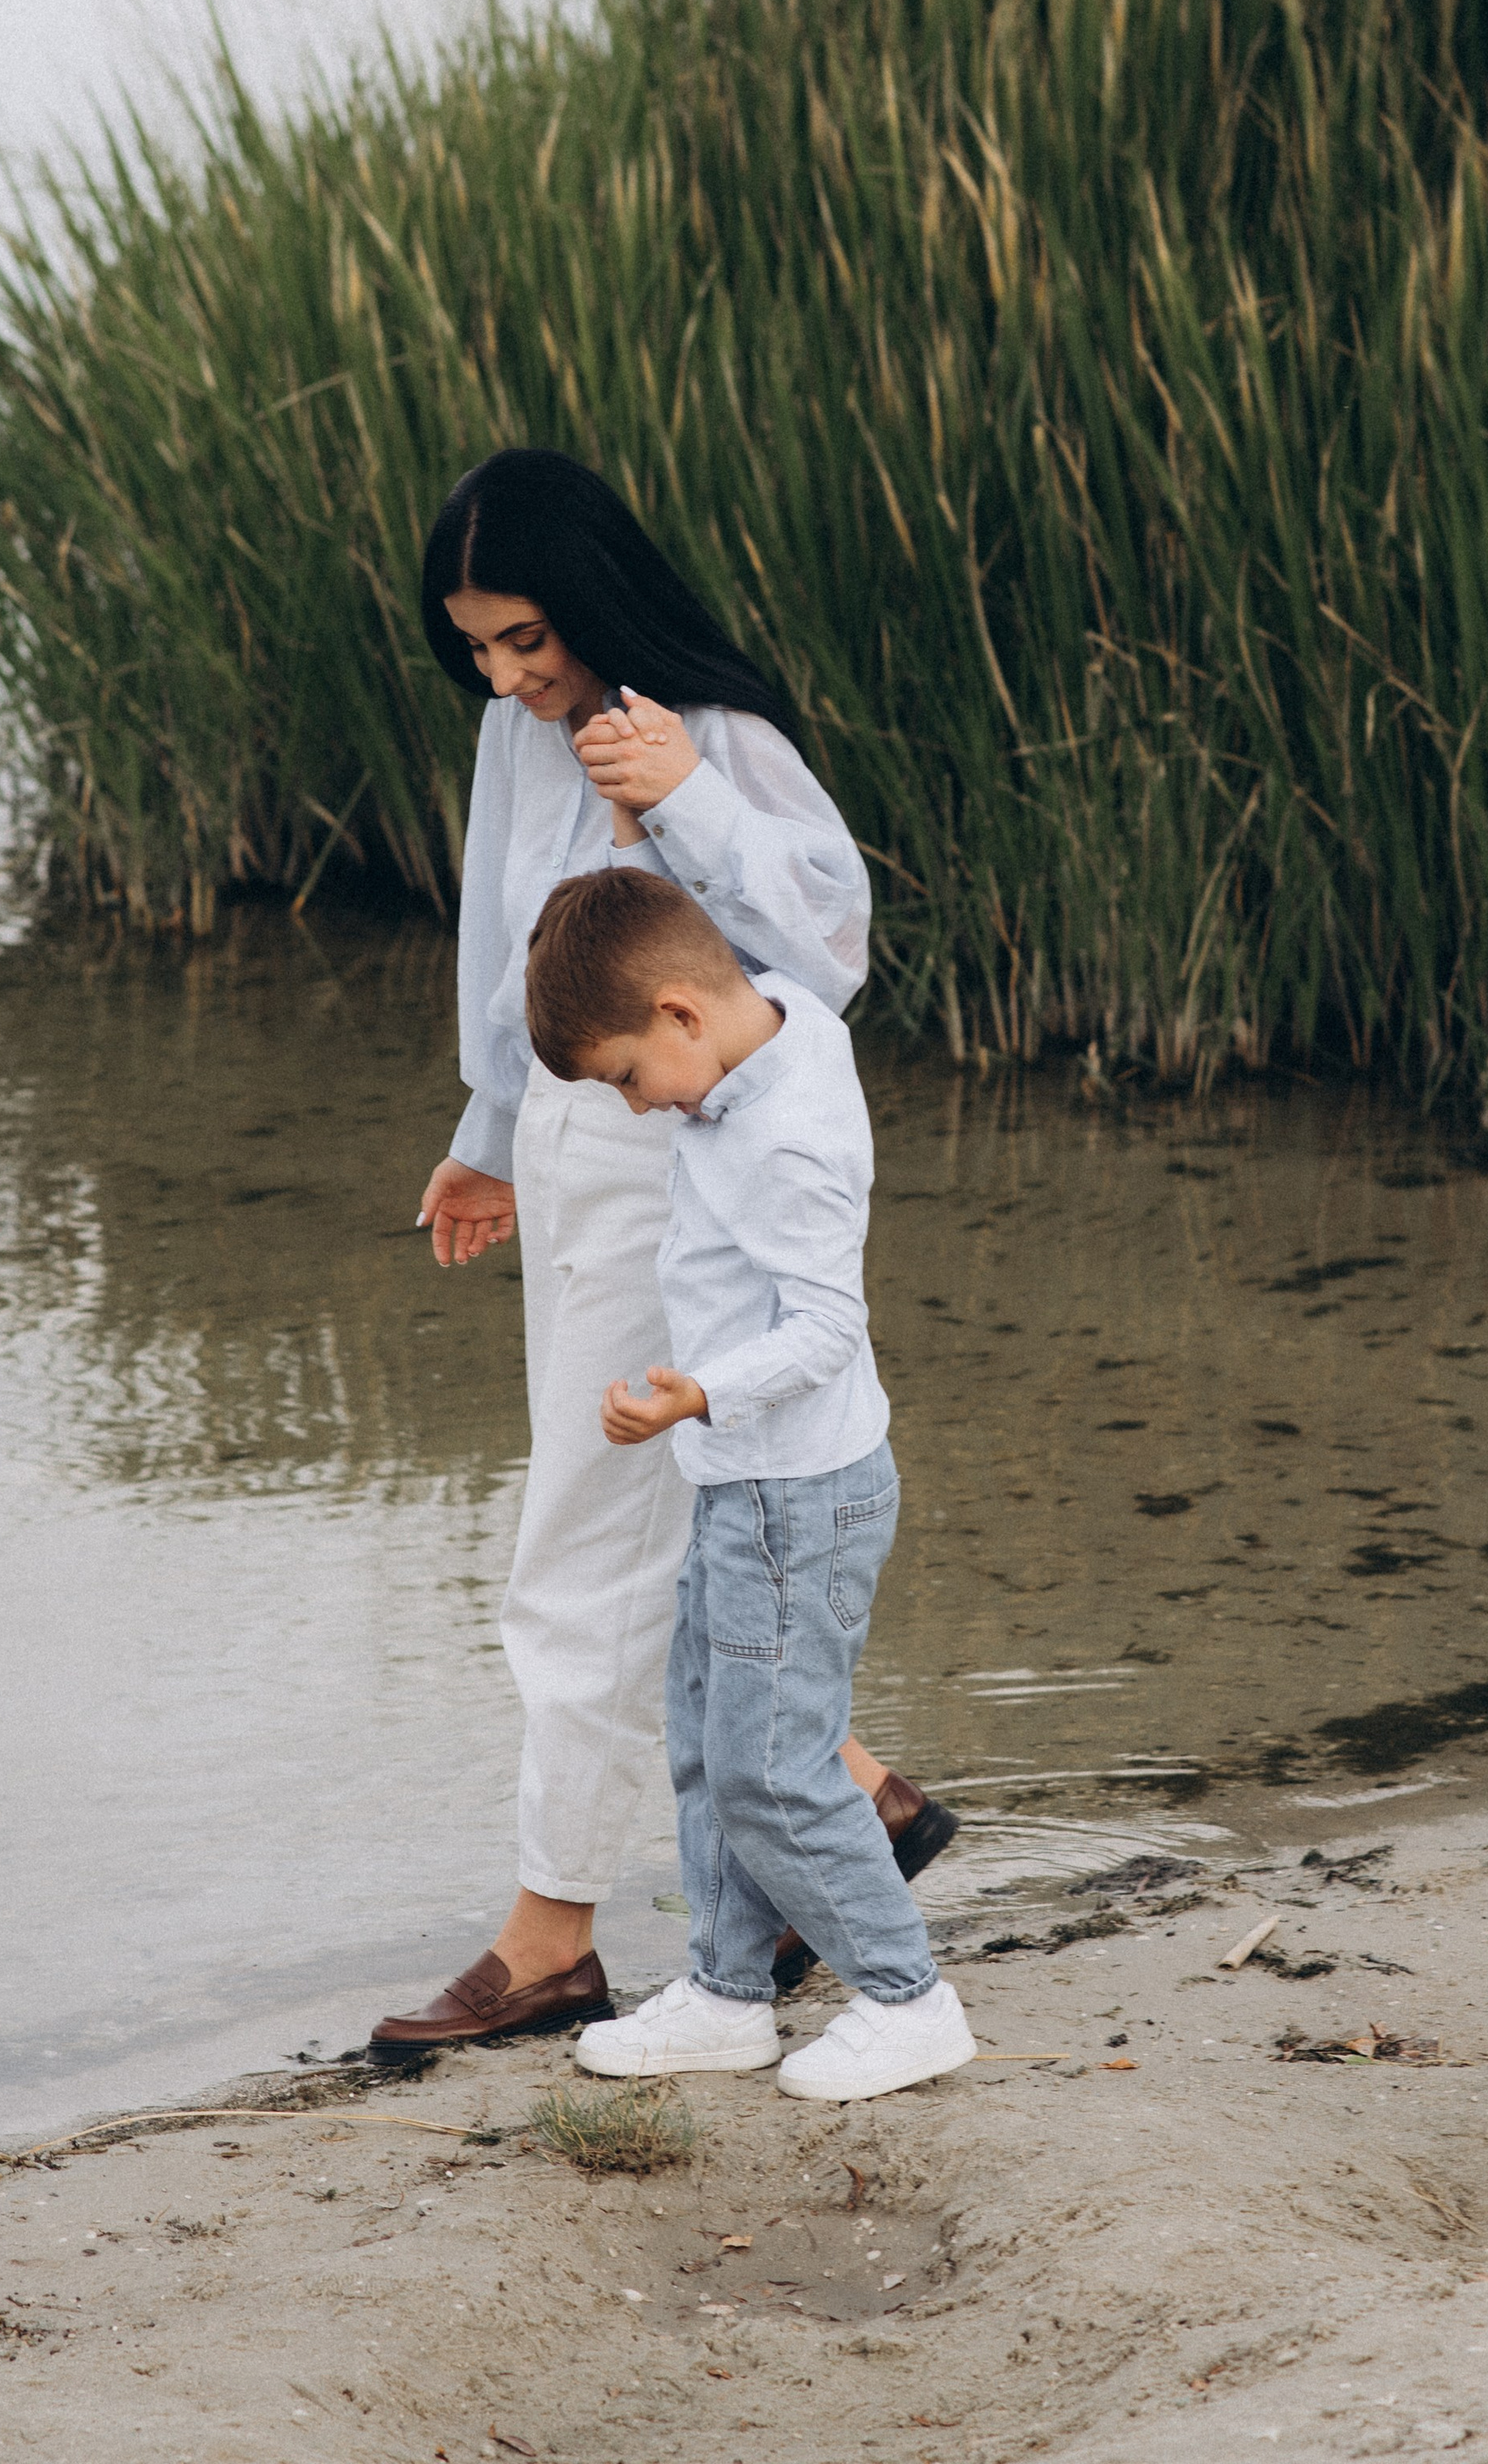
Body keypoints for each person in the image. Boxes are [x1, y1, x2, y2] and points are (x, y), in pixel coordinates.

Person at [369, 448, 954, 2055]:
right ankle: (848, 1794)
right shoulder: (514, 733)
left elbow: (823, 952)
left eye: (526, 638)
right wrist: (487, 1135)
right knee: (646, 1532)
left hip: (673, 1149)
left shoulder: (718, 737)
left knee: (588, 1539)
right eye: (478, 646)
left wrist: (683, 797)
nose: (505, 673)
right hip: (568, 1141)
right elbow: (508, 942)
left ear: (594, 598)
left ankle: (553, 1936)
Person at [527, 866, 976, 2101]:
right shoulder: (772, 1022)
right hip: (743, 1487)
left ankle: (908, 1998)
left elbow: (829, 1325)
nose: (633, 1108)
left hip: (798, 1493)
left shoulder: (787, 1135)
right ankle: (728, 1995)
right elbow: (730, 948)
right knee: (706, 1745)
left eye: (626, 1078)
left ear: (680, 1016)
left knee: (775, 1765)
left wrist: (697, 1393)